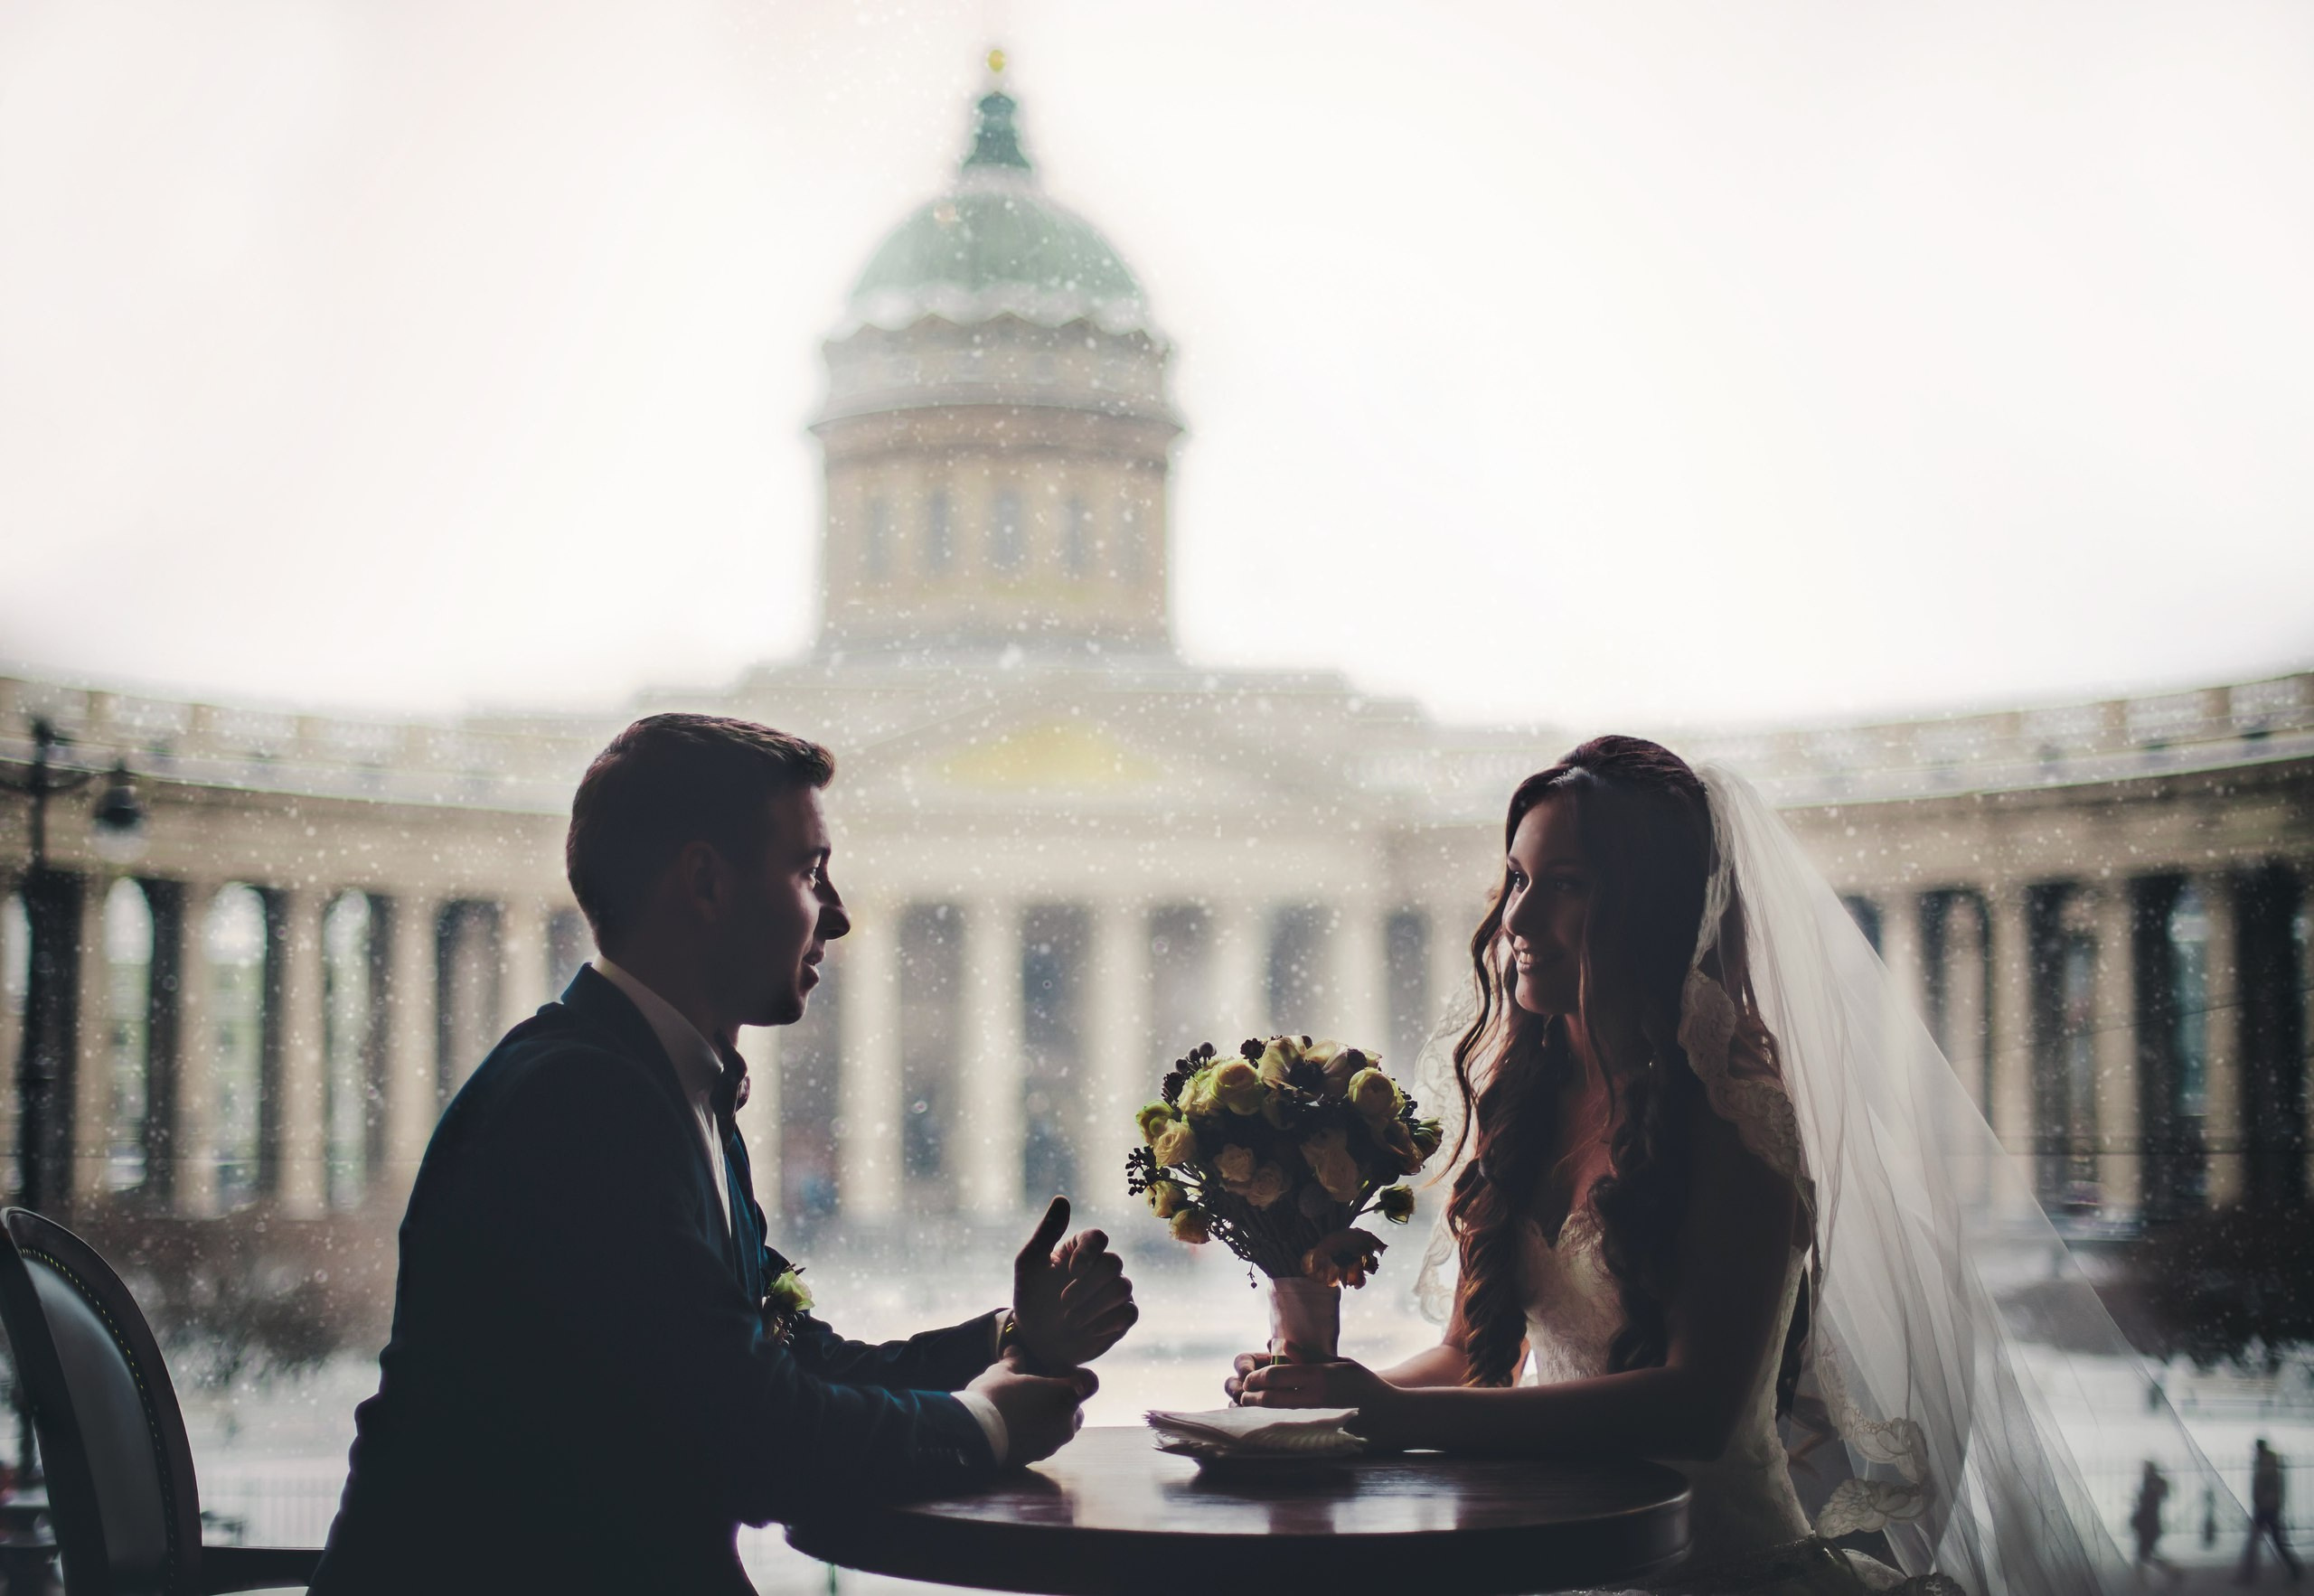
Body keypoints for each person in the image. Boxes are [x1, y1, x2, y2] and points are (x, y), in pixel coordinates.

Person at [1228, 736, 2189, 1593]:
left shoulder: (1733, 1117)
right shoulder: (1523, 1101)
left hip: (1722, 1567)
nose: (1518, 915)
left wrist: (1391, 1418)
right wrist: (1319, 1402)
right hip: (1578, 1555)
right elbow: (1470, 1350)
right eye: (1516, 877)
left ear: (1648, 908)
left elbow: (1697, 1405)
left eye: (1564, 883)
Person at [311, 715, 1137, 1595]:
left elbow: (787, 1360)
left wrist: (1012, 1336)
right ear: (704, 880)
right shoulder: (583, 1102)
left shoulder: (654, 1083)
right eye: (810, 871)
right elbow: (756, 1434)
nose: (843, 914)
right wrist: (985, 1424)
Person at [2239, 1438, 2302, 1583]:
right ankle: (2294, 1568)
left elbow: (2265, 1486)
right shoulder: (2268, 1462)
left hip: (2266, 1507)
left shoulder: (2266, 1464)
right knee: (2273, 1541)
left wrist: (2262, 1501)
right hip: (2267, 1506)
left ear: (2260, 1449)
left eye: (2256, 1449)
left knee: (2264, 1540)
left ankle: (2248, 1575)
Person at [2133, 1460, 2181, 1585]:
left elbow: (2149, 1502)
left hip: (2148, 1524)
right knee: (2145, 1553)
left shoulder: (2152, 1483)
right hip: (2149, 1523)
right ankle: (2172, 1571)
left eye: (2145, 1468)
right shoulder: (2151, 1482)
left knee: (2144, 1554)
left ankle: (2142, 1580)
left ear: (2149, 1469)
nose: (2143, 1471)